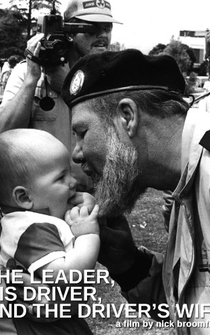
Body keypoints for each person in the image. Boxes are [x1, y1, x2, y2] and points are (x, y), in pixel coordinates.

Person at [61, 48, 210, 334]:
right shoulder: (182, 181)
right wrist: (128, 265)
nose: (77, 154)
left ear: (127, 116)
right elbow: (193, 310)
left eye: (82, 133)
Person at [0, 0, 121, 192]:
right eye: (92, 29)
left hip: (92, 198)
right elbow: (4, 133)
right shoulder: (27, 72)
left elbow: (118, 137)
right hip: (41, 202)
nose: (103, 35)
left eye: (108, 28)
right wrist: (32, 79)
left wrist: (69, 87)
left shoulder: (111, 78)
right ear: (71, 32)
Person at [0, 128, 100, 335]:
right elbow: (66, 274)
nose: (74, 182)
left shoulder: (31, 217)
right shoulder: (32, 229)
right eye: (61, 177)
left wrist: (85, 205)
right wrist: (88, 234)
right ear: (25, 198)